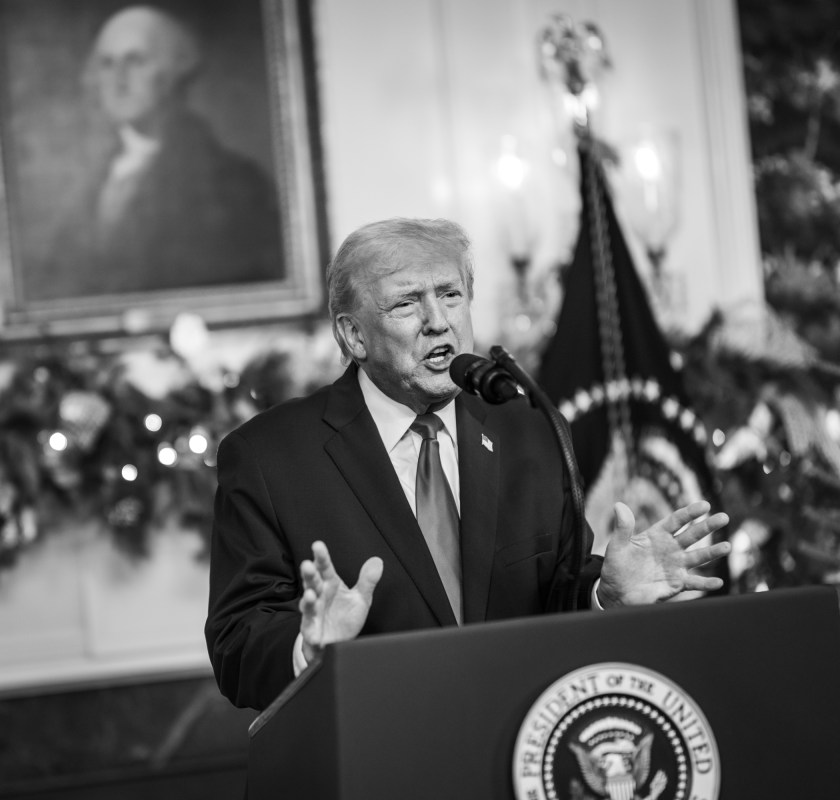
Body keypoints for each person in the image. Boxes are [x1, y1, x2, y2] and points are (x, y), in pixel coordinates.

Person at [204, 218, 730, 711]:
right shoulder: (270, 456)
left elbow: (556, 594)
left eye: (451, 295)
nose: (439, 322)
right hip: (373, 752)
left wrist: (604, 594)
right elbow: (236, 644)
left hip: (513, 747)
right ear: (353, 336)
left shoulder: (528, 428)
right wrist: (307, 650)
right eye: (407, 305)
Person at [38, 5, 283, 299]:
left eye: (135, 61)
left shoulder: (235, 182)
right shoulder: (91, 184)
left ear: (172, 73)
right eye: (106, 63)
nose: (119, 79)